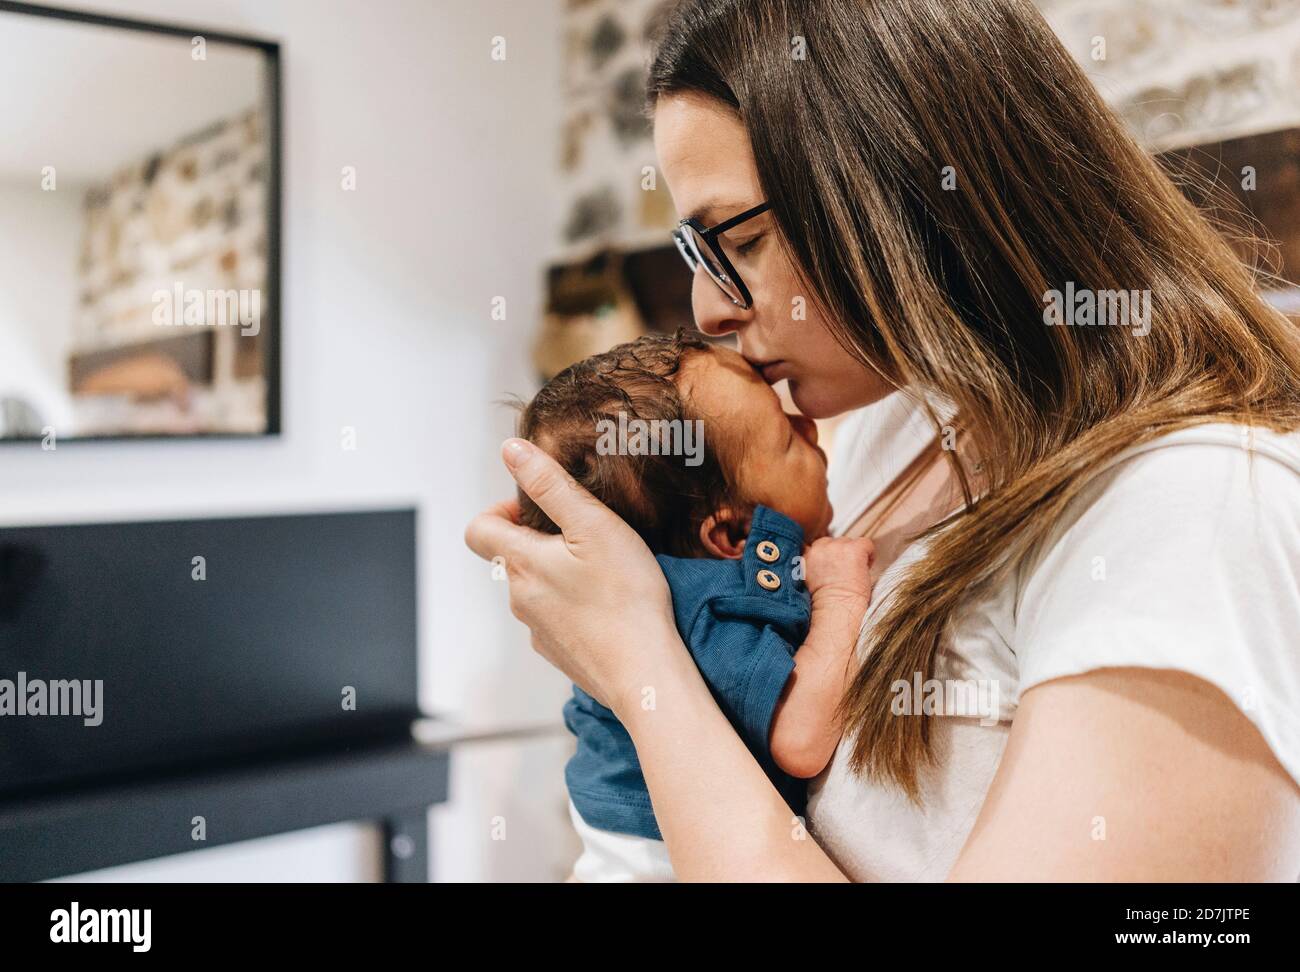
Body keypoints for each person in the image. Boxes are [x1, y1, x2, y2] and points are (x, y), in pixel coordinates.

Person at [467, 0, 1300, 880]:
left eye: (741, 239)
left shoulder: (1192, 509)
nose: (709, 310)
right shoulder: (889, 428)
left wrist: (636, 663)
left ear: (910, 185)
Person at [514, 331, 875, 880]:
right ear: (734, 535)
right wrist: (842, 598)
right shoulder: (706, 602)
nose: (808, 427)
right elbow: (801, 741)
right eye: (785, 438)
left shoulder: (663, 579)